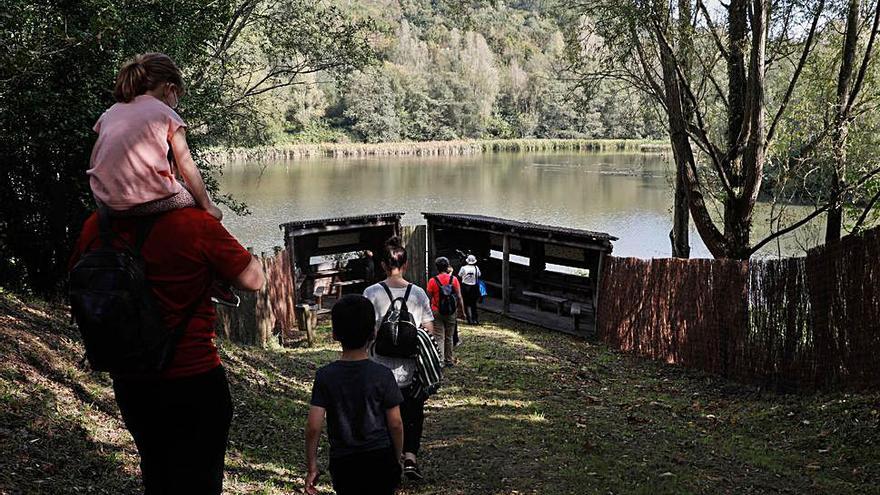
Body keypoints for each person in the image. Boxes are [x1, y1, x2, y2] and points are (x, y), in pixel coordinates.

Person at [69, 208, 265, 493]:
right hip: (194, 378)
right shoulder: (193, 223)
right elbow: (253, 279)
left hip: (132, 381)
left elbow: (78, 281)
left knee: (157, 474)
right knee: (200, 481)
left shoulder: (97, 226)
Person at [89, 52, 222, 220]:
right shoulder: (166, 113)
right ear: (169, 88)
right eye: (177, 96)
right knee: (190, 196)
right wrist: (208, 206)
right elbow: (186, 163)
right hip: (144, 203)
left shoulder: (110, 112)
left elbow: (96, 158)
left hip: (105, 202)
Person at [305, 295, 405, 495]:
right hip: (380, 458)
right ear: (373, 333)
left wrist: (312, 466)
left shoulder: (325, 376)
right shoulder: (383, 375)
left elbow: (313, 425)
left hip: (344, 462)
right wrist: (397, 457)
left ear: (334, 334)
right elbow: (396, 423)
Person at [364, 237, 436, 480]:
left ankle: (389, 458)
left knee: (382, 414)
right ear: (405, 265)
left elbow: (367, 332)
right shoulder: (418, 293)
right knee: (412, 413)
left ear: (383, 265)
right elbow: (428, 331)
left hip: (378, 368)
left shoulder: (371, 292)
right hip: (410, 368)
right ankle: (410, 458)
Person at [426, 256, 464, 366]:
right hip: (451, 311)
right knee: (449, 336)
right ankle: (449, 360)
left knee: (439, 336)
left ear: (437, 267)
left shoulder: (433, 281)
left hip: (437, 311)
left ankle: (440, 360)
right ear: (447, 266)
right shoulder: (454, 280)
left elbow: (429, 297)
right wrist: (462, 311)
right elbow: (459, 297)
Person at [458, 254, 482, 324]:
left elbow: (459, 275)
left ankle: (469, 319)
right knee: (473, 304)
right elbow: (479, 275)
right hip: (474, 287)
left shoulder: (463, 268)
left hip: (465, 287)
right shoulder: (476, 268)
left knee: (466, 304)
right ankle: (475, 319)